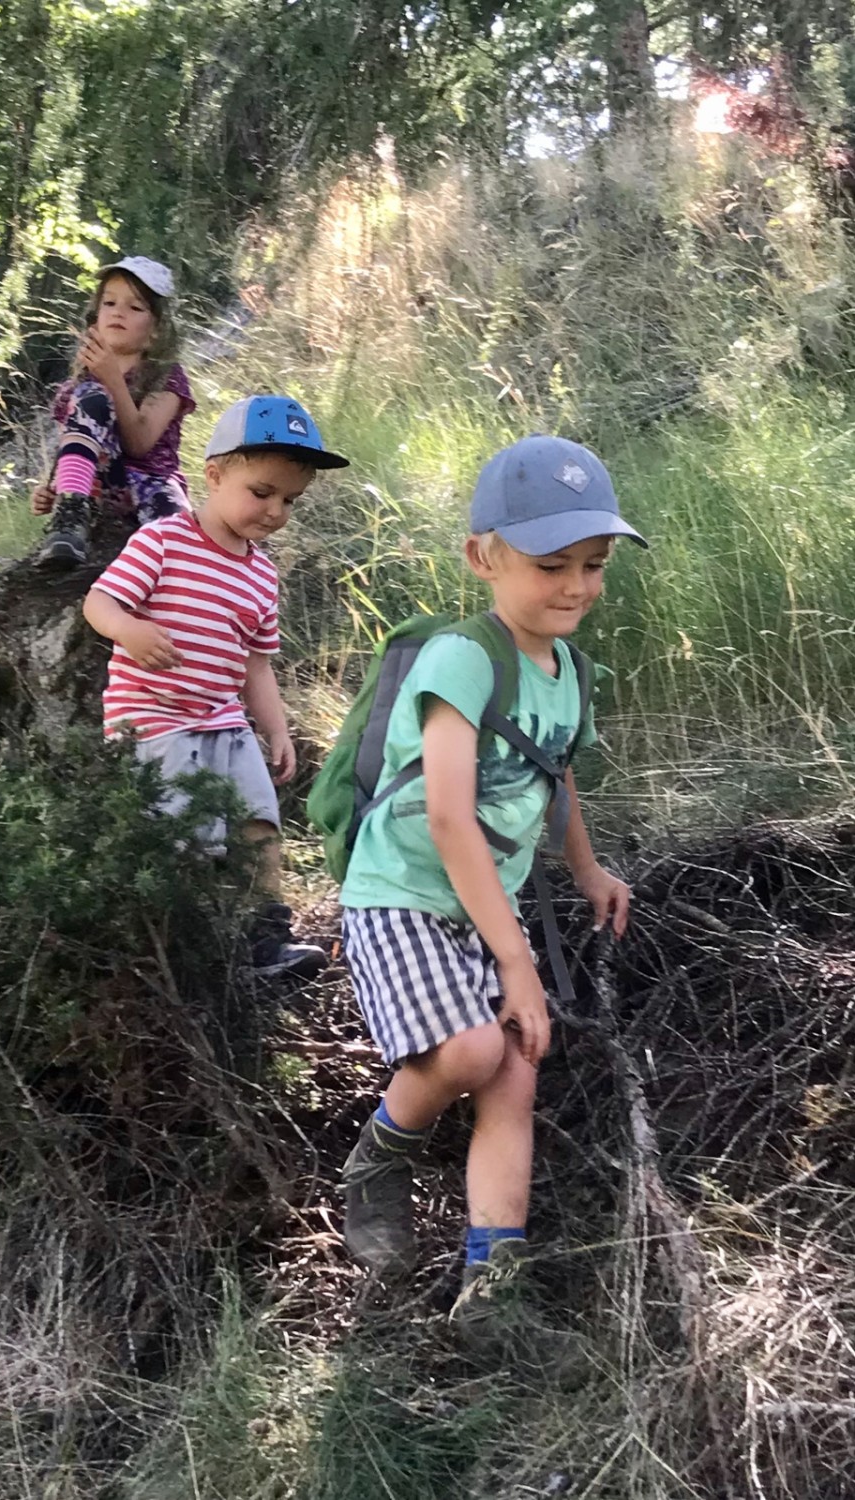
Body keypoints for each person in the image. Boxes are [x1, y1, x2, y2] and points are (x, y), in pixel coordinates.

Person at [337, 433, 646, 1337]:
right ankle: (375, 1159)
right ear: (483, 557)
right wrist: (514, 962)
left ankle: (491, 1289)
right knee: (473, 1052)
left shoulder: (570, 671)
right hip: (400, 893)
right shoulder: (462, 658)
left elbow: (555, 777)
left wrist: (585, 867)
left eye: (594, 564)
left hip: (479, 907)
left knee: (514, 1072)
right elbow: (445, 816)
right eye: (552, 563)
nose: (577, 586)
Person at [82, 394, 349, 977]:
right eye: (261, 492)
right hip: (154, 722)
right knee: (185, 838)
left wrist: (275, 728)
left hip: (224, 720)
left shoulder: (261, 572)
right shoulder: (162, 541)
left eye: (290, 500)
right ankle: (189, 951)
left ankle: (265, 941)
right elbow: (99, 602)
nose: (276, 510)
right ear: (214, 473)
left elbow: (256, 663)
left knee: (259, 824)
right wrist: (129, 629)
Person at [34, 256, 195, 567]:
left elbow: (140, 443)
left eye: (135, 307)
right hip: (101, 485)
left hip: (153, 483)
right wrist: (53, 486)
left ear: (156, 331)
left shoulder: (168, 377)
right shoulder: (78, 386)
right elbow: (75, 444)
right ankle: (71, 517)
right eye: (109, 303)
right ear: (95, 318)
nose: (118, 312)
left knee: (181, 544)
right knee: (91, 396)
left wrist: (113, 380)